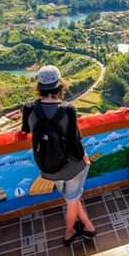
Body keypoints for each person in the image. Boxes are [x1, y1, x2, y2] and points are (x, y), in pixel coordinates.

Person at [22, 65, 96, 245]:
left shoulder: (29, 108)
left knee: (72, 196)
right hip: (69, 165)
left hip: (48, 164)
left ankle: (88, 226)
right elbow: (74, 142)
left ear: (39, 87)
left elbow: (26, 131)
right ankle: (69, 233)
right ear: (59, 85)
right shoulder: (67, 109)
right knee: (72, 199)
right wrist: (84, 158)